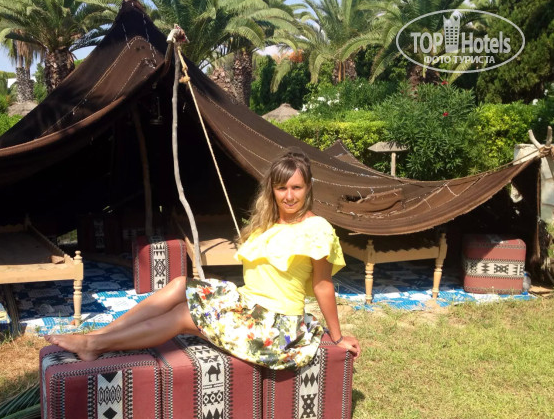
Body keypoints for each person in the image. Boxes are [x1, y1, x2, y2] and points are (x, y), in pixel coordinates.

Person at [45, 148, 361, 368]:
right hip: (248, 306)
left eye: (296, 187)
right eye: (282, 188)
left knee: (184, 315)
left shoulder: (316, 228)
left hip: (277, 328)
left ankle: (94, 346)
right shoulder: (267, 225)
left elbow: (322, 285)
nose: (289, 196)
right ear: (272, 190)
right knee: (180, 284)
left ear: (308, 188)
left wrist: (337, 337)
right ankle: (96, 335)